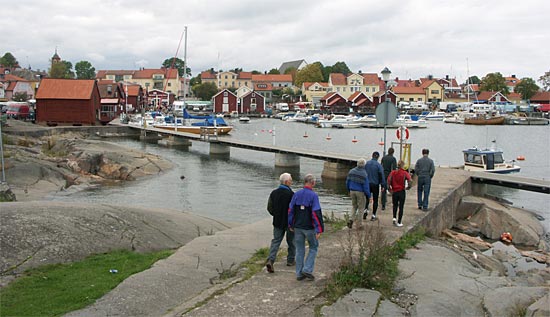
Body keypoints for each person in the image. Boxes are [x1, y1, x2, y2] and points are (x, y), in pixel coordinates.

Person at [288, 174, 324, 281]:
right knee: (313, 247)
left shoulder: (296, 194)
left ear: (304, 182)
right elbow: (315, 213)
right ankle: (307, 269)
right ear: (313, 183)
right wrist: (319, 229)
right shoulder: (314, 196)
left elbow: (291, 211)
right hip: (309, 227)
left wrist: (290, 224)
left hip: (298, 226)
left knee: (300, 249)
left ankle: (299, 273)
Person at [265, 173, 295, 273]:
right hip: (289, 223)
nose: (292, 182)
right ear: (286, 182)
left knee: (276, 241)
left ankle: (270, 259)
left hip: (277, 221)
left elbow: (269, 208)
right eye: (291, 180)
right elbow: (294, 210)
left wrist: (275, 215)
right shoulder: (291, 195)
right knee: (291, 241)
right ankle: (290, 260)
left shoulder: (274, 193)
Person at [345, 159, 372, 229]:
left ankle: (351, 220)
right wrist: (369, 196)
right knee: (361, 208)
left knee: (354, 206)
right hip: (360, 192)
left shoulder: (351, 171)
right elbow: (366, 187)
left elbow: (347, 182)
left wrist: (348, 189)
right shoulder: (364, 174)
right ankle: (359, 224)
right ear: (364, 165)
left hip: (352, 190)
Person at [387, 160, 412, 227]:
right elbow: (410, 180)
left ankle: (394, 218)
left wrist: (389, 189)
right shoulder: (404, 173)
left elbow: (388, 180)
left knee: (395, 205)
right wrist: (408, 187)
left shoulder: (393, 172)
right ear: (403, 165)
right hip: (401, 191)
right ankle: (399, 221)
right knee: (401, 207)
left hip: (394, 191)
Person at [364, 151, 386, 221]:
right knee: (375, 200)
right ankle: (373, 215)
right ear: (378, 157)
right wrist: (383, 185)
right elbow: (381, 175)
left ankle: (365, 210)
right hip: (375, 185)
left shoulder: (367, 164)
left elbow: (363, 173)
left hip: (367, 184)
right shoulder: (379, 165)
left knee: (367, 198)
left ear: (372, 156)